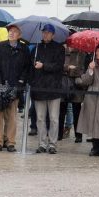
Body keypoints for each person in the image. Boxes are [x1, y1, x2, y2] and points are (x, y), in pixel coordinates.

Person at [0, 24, 30, 152]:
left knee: (11, 116)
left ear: (19, 35)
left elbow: (27, 67)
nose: (11, 33)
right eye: (10, 31)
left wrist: (20, 82)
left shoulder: (24, 49)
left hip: (15, 86)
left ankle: (10, 142)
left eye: (14, 31)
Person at [29, 24, 65, 154]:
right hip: (39, 88)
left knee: (54, 118)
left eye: (48, 32)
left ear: (53, 34)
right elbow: (31, 67)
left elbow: (59, 66)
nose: (46, 34)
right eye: (44, 32)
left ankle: (53, 144)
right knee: (40, 118)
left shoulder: (59, 48)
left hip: (54, 88)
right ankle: (42, 143)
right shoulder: (36, 48)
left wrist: (43, 66)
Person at [64, 44, 89, 143]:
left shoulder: (82, 54)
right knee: (62, 108)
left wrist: (72, 71)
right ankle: (60, 133)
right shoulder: (63, 52)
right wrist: (68, 68)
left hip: (77, 85)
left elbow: (82, 69)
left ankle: (78, 135)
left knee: (76, 111)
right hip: (65, 83)